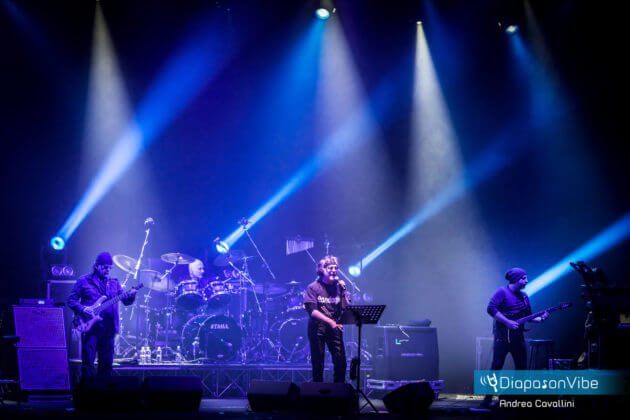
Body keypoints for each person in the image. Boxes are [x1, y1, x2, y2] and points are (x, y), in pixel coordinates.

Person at [481, 267, 548, 408]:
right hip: (502, 337)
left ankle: (516, 398)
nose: (527, 280)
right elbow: (491, 309)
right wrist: (507, 322)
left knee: (521, 367)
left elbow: (528, 317)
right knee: (497, 366)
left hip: (518, 338)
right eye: (524, 278)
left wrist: (541, 319)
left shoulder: (524, 296)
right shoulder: (502, 292)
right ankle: (487, 399)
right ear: (516, 279)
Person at [68, 252, 137, 377]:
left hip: (109, 329)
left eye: (110, 268)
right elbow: (71, 301)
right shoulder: (84, 281)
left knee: (106, 367)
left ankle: (104, 389)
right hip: (90, 328)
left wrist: (132, 295)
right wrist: (83, 309)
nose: (108, 270)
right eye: (105, 267)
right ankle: (87, 388)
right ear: (96, 266)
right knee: (88, 365)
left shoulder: (114, 283)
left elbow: (126, 301)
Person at [303, 255, 351, 383]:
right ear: (322, 269)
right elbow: (312, 311)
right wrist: (330, 321)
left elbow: (346, 307)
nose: (333, 270)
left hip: (335, 328)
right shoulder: (313, 287)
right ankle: (317, 391)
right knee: (318, 363)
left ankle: (338, 390)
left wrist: (344, 291)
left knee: (340, 362)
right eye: (330, 268)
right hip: (317, 329)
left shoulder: (339, 287)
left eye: (335, 268)